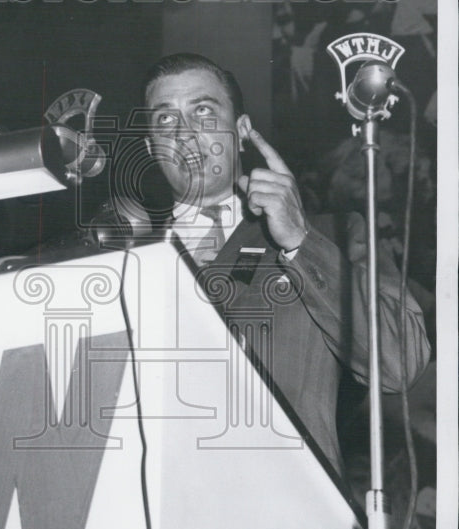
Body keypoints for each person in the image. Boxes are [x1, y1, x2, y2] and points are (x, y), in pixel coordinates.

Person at [117, 51, 431, 477]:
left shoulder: (333, 234)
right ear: (151, 146)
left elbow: (399, 363)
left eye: (204, 111)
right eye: (166, 120)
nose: (186, 133)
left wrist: (300, 240)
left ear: (242, 130)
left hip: (290, 518)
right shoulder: (122, 261)